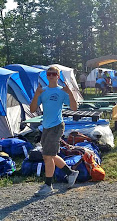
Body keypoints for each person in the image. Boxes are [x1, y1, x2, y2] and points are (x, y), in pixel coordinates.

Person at [30, 65, 79, 196]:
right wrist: (36, 94)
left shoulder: (62, 91)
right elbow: (32, 109)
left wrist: (70, 93)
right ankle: (71, 173)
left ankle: (48, 186)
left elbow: (74, 108)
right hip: (45, 126)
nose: (51, 76)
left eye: (53, 74)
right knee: (50, 155)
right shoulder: (43, 91)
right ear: (47, 76)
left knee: (47, 156)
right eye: (49, 74)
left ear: (58, 76)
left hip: (56, 126)